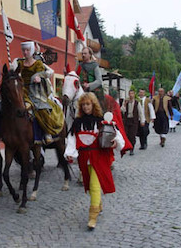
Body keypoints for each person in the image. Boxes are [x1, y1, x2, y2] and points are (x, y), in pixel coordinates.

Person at [64, 92, 125, 230]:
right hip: (85, 159)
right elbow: (72, 139)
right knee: (90, 185)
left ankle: (92, 216)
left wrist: (115, 142)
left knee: (94, 185)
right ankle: (99, 204)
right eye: (83, 104)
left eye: (88, 104)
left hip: (99, 157)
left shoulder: (101, 120)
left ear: (93, 105)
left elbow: (116, 134)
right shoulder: (77, 123)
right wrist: (70, 153)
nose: (86, 107)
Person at [13, 41, 64, 145]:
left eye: (27, 50)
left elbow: (47, 73)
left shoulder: (38, 64)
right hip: (22, 90)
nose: (25, 52)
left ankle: (47, 132)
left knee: (42, 108)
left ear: (31, 51)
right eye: (24, 50)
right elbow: (14, 72)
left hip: (36, 91)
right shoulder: (20, 63)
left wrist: (39, 77)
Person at [121, 89, 145, 155]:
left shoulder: (137, 103)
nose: (131, 95)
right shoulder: (126, 102)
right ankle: (127, 147)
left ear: (134, 95)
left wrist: (142, 121)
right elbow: (122, 110)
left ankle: (132, 148)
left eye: (132, 94)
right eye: (130, 94)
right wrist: (124, 105)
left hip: (134, 121)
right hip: (127, 120)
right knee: (126, 135)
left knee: (132, 135)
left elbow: (140, 113)